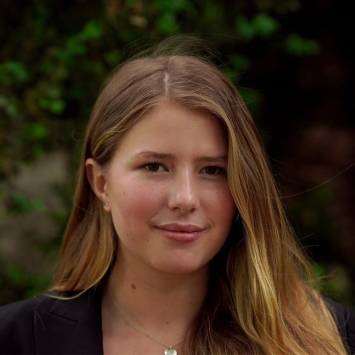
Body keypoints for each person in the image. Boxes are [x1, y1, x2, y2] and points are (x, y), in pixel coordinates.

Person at [0, 38, 354, 355]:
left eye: (213, 170)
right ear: (101, 183)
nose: (185, 199)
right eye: (155, 166)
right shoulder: (17, 339)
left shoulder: (333, 338)